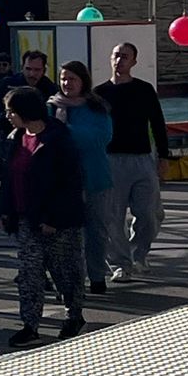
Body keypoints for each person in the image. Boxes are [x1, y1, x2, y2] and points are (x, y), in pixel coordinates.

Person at [0, 86, 88, 347]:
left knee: (65, 271)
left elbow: (70, 183)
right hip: (26, 219)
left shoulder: (58, 139)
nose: (8, 116)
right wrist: (4, 209)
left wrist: (54, 219)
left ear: (25, 111)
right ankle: (30, 324)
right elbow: (9, 179)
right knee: (29, 274)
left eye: (11, 111)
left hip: (57, 222)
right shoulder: (15, 138)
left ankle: (74, 314)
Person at [95, 42, 170, 284]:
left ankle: (139, 254)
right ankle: (120, 264)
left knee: (149, 213)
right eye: (116, 55)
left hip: (142, 158)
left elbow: (158, 123)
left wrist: (164, 157)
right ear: (110, 58)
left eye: (125, 57)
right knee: (113, 217)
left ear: (134, 62)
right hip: (111, 160)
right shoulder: (99, 93)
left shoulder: (144, 90)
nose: (120, 61)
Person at [53, 61, 117, 293]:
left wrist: (65, 130)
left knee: (96, 231)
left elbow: (100, 138)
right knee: (68, 235)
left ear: (83, 81)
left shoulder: (96, 107)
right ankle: (71, 278)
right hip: (63, 182)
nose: (67, 83)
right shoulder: (53, 107)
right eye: (63, 78)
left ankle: (97, 275)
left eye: (72, 78)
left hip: (95, 178)